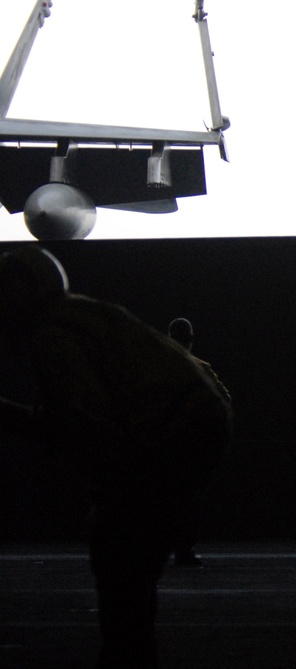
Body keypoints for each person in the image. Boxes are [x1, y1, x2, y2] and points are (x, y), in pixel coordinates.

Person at [0, 246, 232, 669]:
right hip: (191, 423)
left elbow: (88, 423)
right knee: (129, 559)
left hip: (171, 431)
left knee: (120, 559)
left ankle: (128, 656)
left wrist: (107, 496)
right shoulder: (80, 314)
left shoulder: (51, 333)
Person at [166, 317, 232, 566]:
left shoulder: (159, 365)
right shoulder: (200, 368)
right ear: (190, 340)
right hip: (190, 445)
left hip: (166, 442)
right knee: (189, 500)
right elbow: (224, 399)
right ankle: (183, 549)